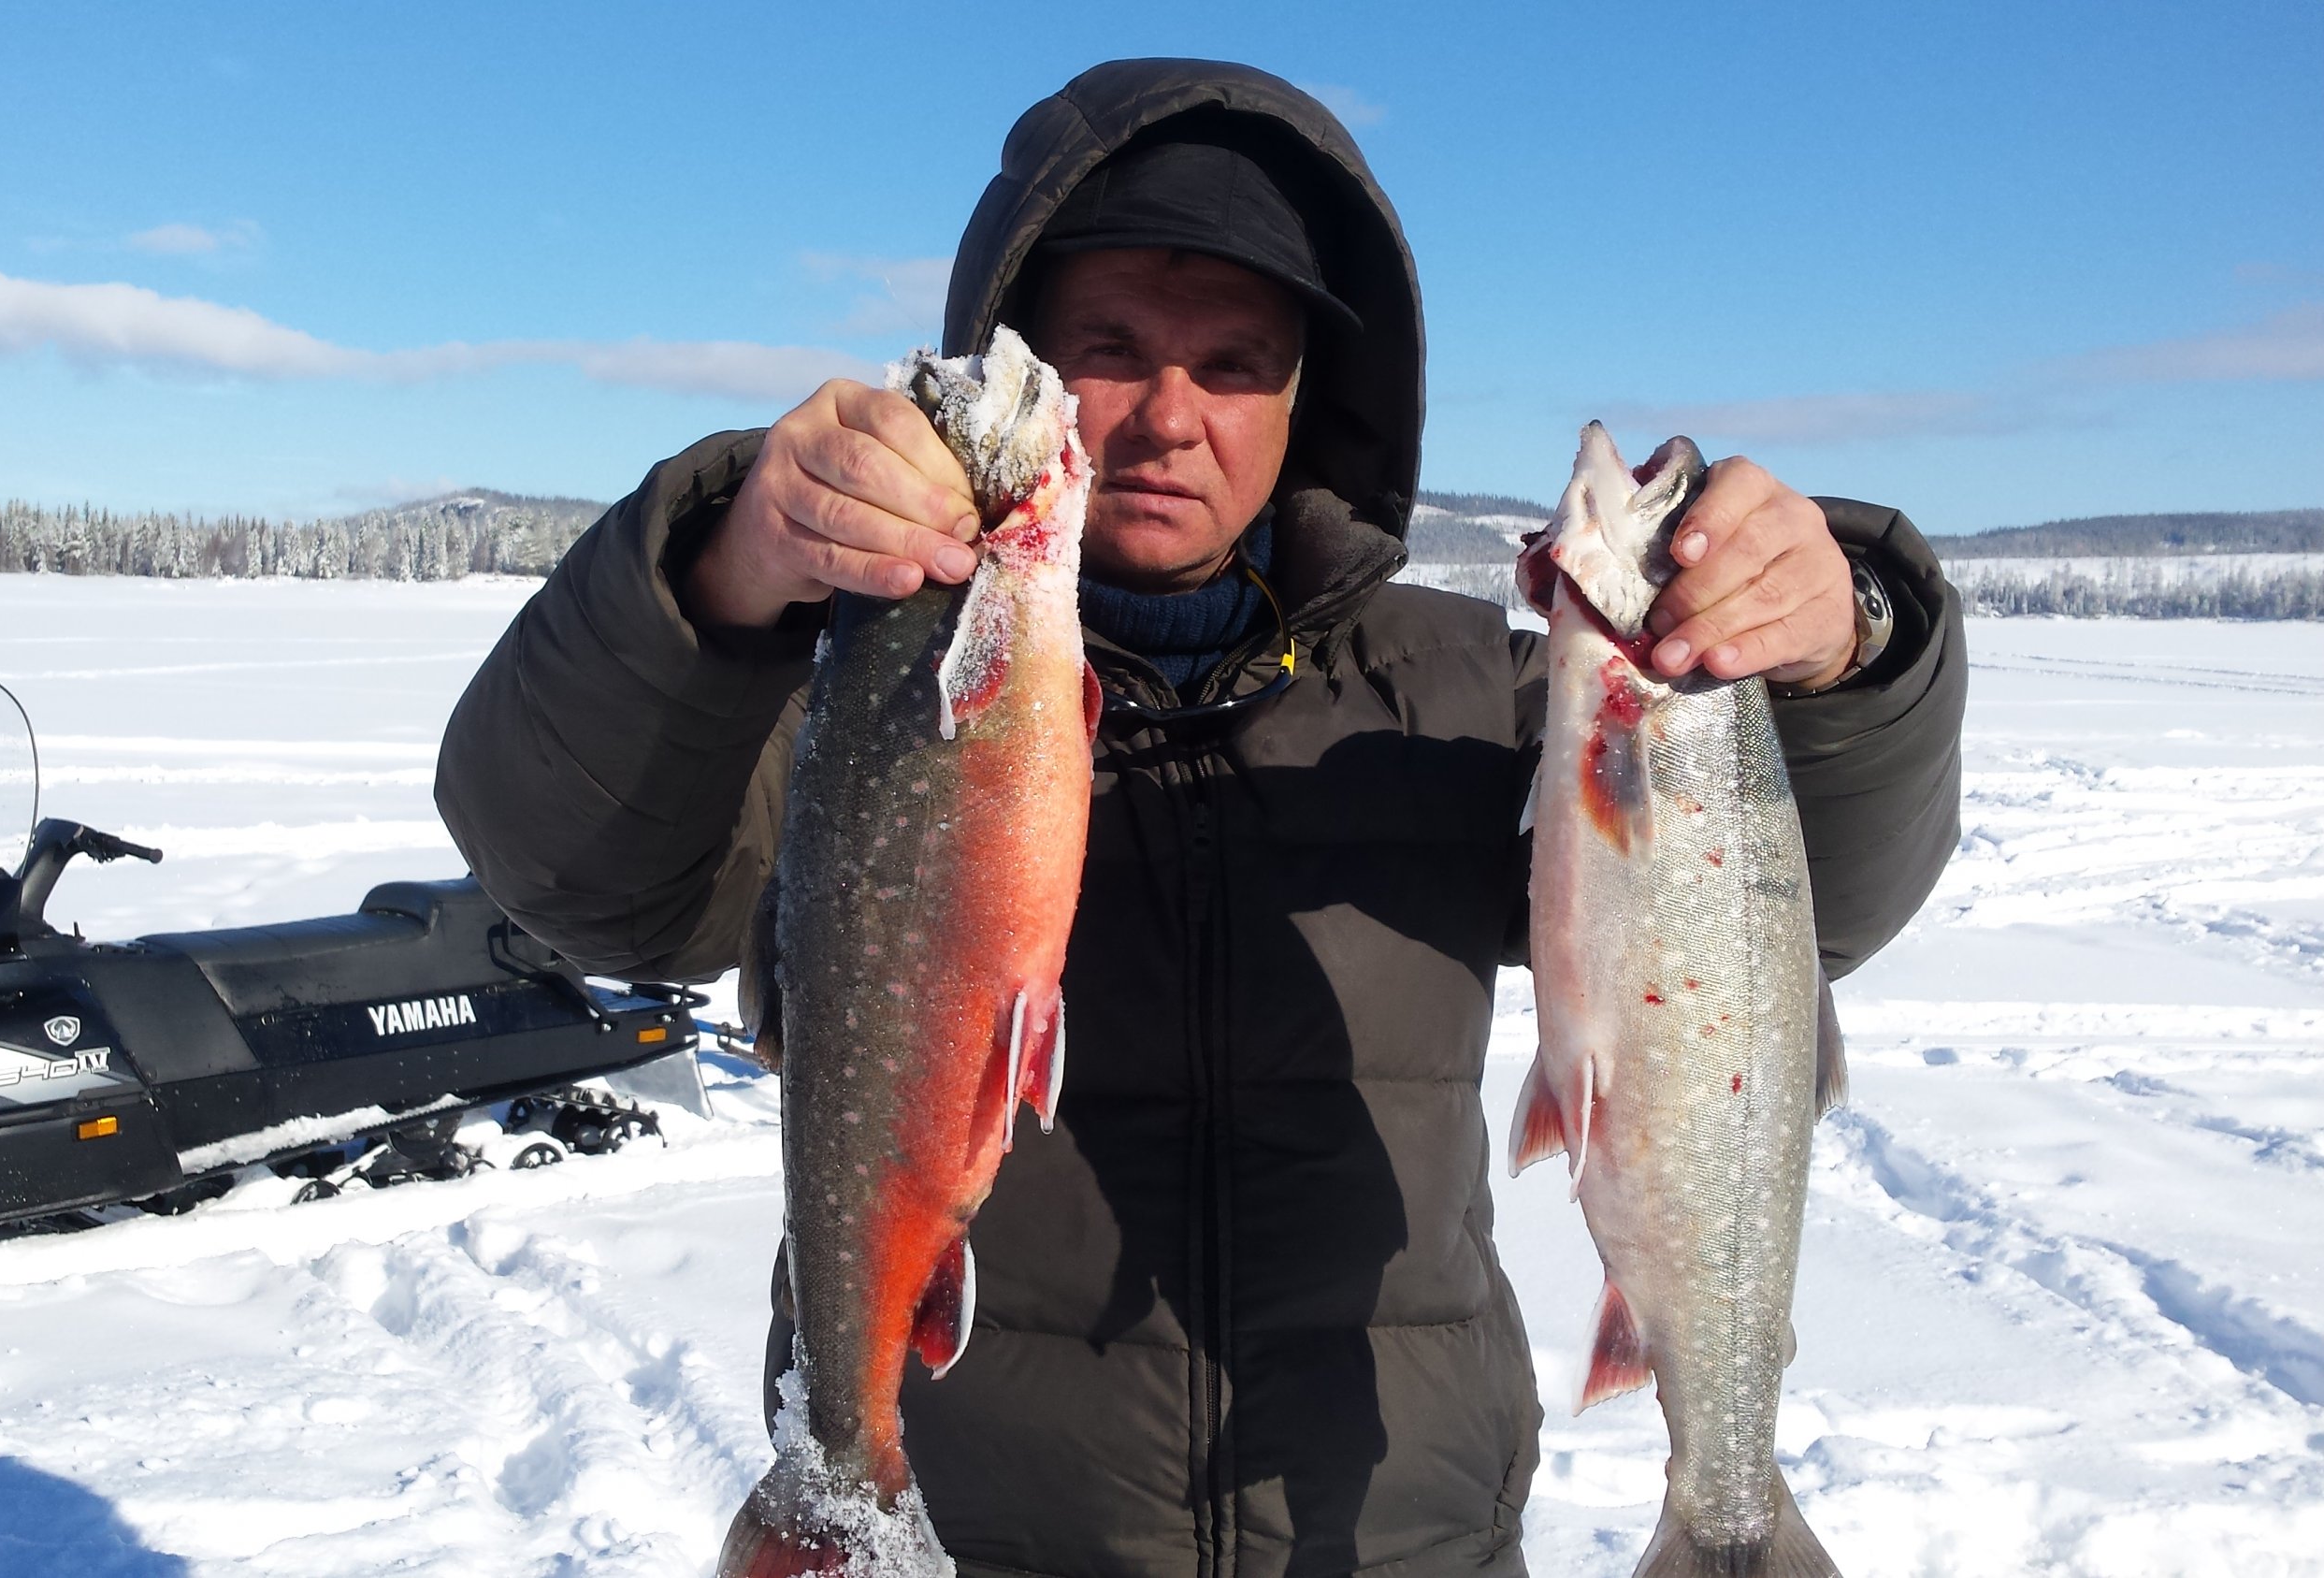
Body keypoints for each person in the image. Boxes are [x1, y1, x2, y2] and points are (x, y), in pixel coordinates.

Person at [438, 59, 1963, 1578]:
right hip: (971, 1543)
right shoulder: (865, 694)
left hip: (1392, 1542)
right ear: (1022, 358)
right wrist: (718, 574)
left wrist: (1853, 646)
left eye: (1236, 364)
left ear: (1306, 405)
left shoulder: (1472, 692)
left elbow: (1808, 919)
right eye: (1110, 349)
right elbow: (581, 881)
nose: (1172, 417)